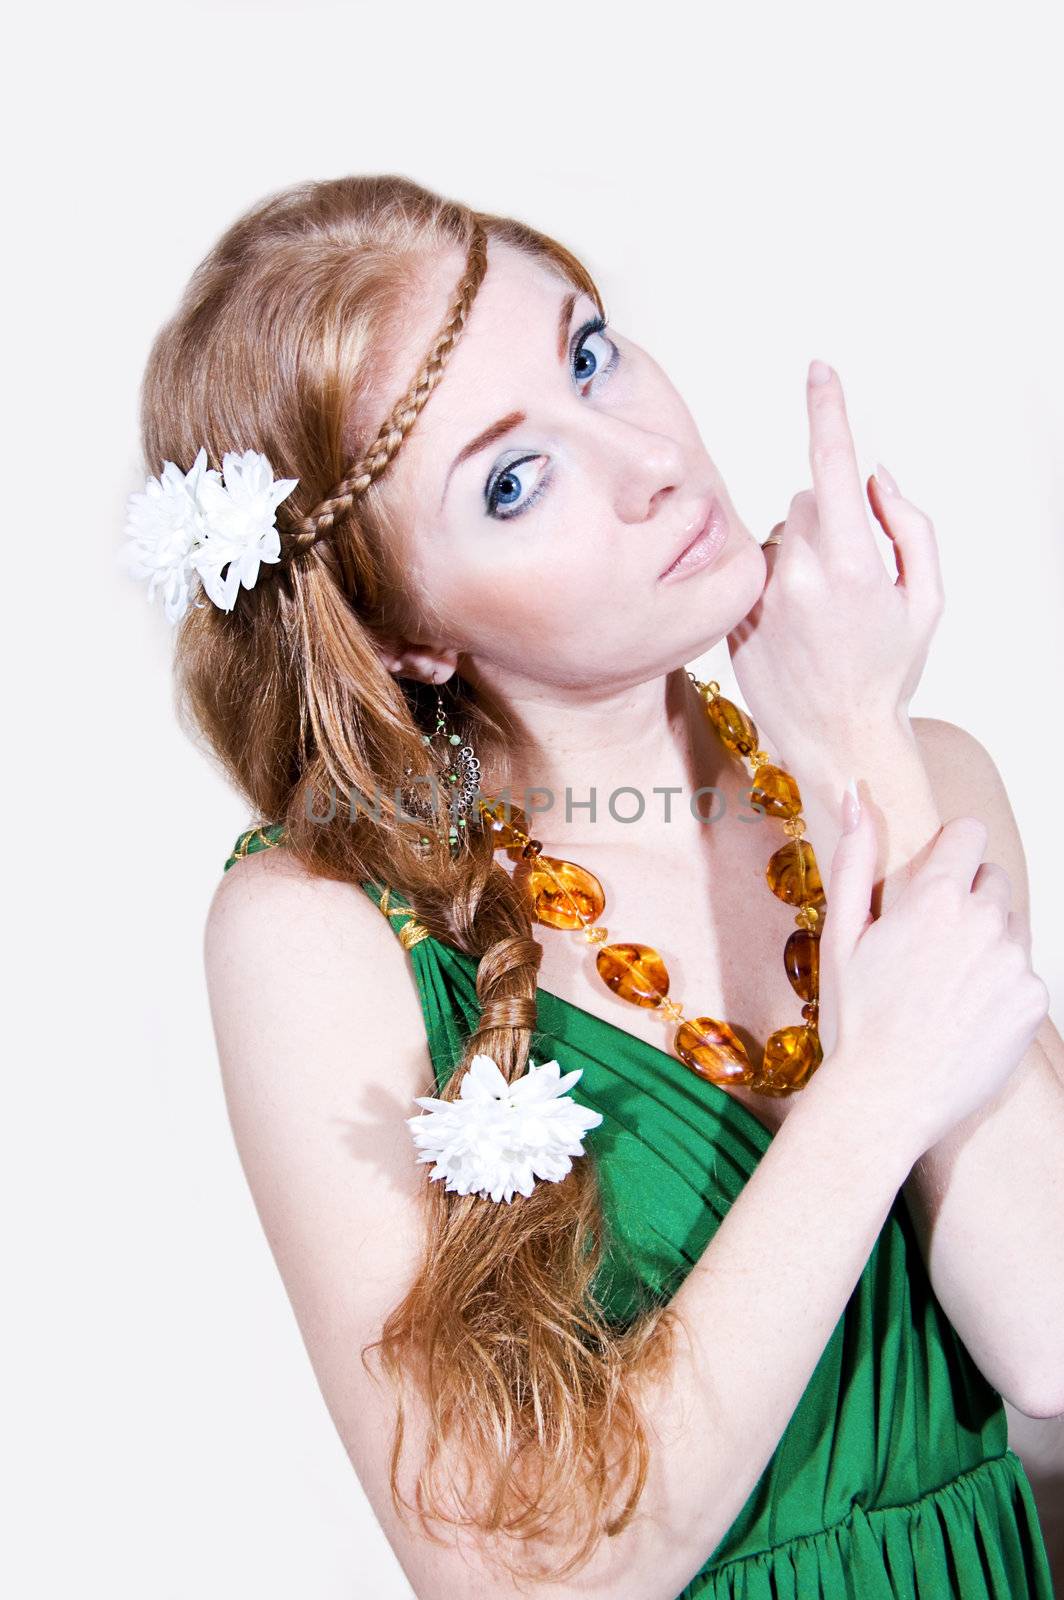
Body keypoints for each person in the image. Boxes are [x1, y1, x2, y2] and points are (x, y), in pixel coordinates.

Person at [126, 173, 1062, 1597]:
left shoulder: (919, 775)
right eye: (513, 480)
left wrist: (861, 742)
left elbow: (1050, 1334)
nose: (651, 467)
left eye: (588, 353)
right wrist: (873, 1101)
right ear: (406, 633)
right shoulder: (320, 935)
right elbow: (522, 1579)